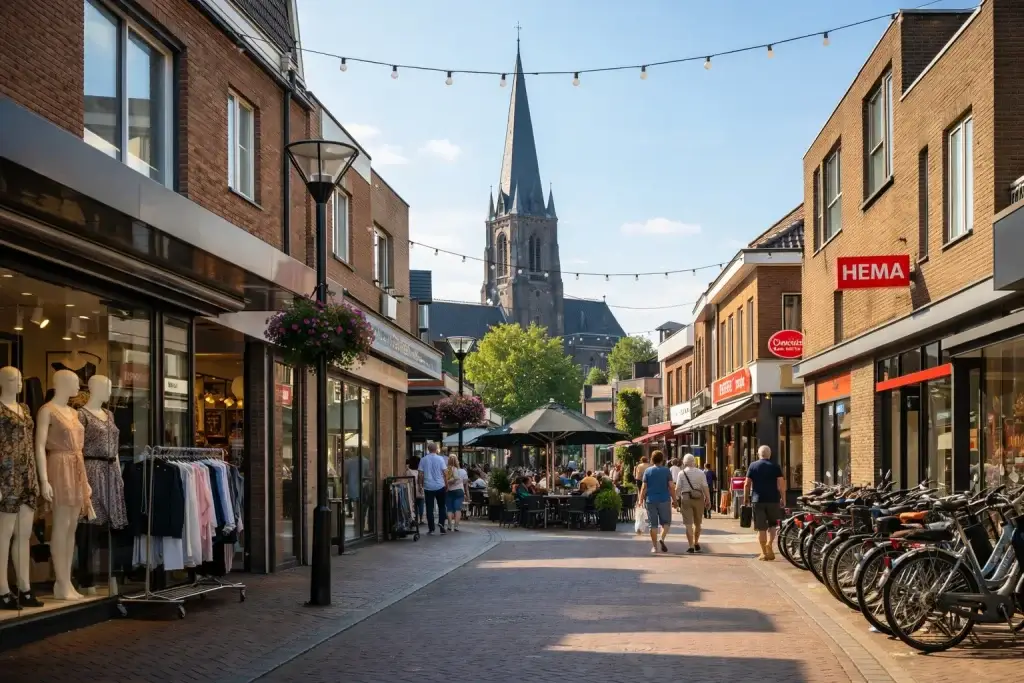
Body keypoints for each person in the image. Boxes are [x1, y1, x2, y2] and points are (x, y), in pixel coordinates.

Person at [745, 445, 785, 561]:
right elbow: (781, 484)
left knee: (761, 527)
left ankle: (763, 553)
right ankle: (769, 543)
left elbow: (747, 484)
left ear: (759, 454)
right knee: (773, 524)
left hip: (758, 500)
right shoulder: (775, 466)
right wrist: (783, 498)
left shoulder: (753, 465)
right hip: (773, 499)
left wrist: (746, 498)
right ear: (769, 454)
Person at [639, 450, 675, 553]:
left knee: (652, 524)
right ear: (662, 459)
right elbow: (671, 487)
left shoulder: (648, 471)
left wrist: (640, 500)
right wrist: (675, 500)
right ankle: (662, 538)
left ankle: (654, 547)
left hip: (650, 500)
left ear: (652, 459)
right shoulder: (666, 471)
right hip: (664, 499)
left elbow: (644, 487)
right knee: (666, 522)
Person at [675, 454, 711, 553]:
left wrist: (676, 499)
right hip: (699, 497)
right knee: (698, 523)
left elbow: (677, 488)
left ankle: (690, 545)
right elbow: (705, 486)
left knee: (688, 524)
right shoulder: (701, 473)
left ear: (684, 462)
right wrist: (708, 498)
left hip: (685, 498)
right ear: (694, 462)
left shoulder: (681, 473)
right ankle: (696, 542)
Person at [419, 442, 448, 535]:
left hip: (428, 486)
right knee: (442, 506)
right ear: (436, 450)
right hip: (440, 485)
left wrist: (420, 485)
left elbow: (420, 474)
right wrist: (446, 484)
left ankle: (431, 528)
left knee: (429, 508)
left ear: (428, 449)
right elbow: (445, 473)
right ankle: (441, 524)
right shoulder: (440, 459)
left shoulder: (423, 460)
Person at [444, 455, 469, 532]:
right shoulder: (463, 471)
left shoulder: (446, 470)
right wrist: (467, 494)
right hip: (459, 491)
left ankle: (449, 525)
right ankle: (456, 526)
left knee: (449, 509)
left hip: (449, 490)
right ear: (457, 461)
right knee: (457, 509)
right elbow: (465, 482)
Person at [406, 455, 425, 524]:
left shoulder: (408, 471)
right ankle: (421, 519)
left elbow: (406, 480)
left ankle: (415, 518)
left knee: (414, 504)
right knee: (421, 504)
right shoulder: (420, 471)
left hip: (412, 489)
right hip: (420, 489)